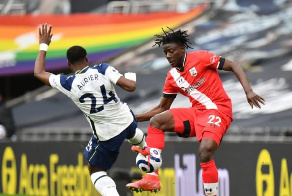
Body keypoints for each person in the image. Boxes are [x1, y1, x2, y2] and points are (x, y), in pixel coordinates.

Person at [126, 27, 265, 195]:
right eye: (165, 53)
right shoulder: (172, 77)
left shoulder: (202, 58)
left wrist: (248, 91)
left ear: (182, 49)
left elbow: (234, 65)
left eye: (171, 51)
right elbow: (162, 108)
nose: (168, 56)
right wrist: (132, 118)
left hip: (218, 110)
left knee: (205, 150)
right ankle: (152, 178)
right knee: (157, 121)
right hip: (196, 113)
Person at [34, 23, 146, 196]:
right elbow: (130, 87)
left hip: (108, 133)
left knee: (96, 170)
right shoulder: (103, 68)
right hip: (127, 120)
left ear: (68, 64)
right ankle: (147, 153)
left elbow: (39, 72)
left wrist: (43, 45)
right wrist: (131, 76)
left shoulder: (68, 83)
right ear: (86, 58)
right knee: (132, 132)